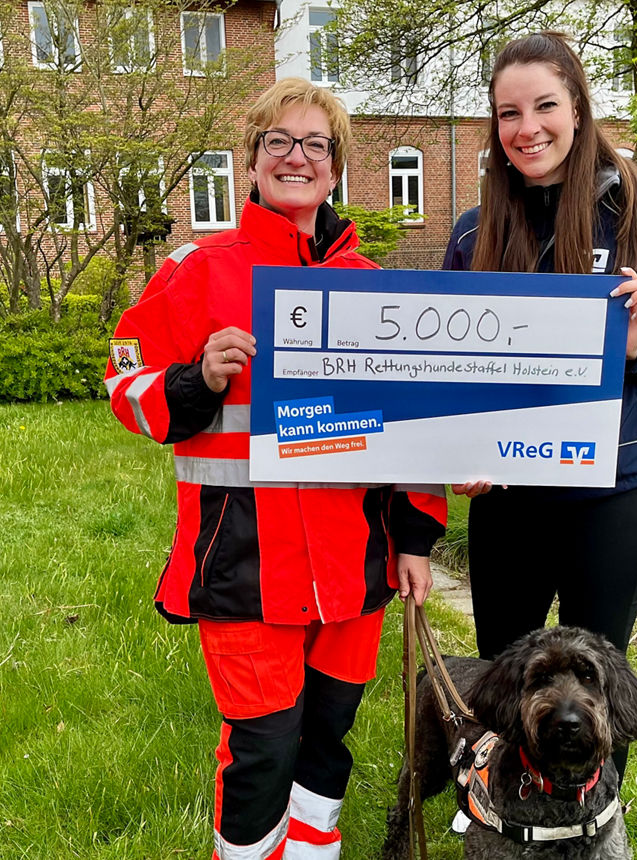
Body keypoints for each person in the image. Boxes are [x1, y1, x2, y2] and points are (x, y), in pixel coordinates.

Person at [105, 78, 447, 860]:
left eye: (314, 145)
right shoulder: (195, 272)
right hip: (243, 560)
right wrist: (195, 379)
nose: (296, 157)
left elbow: (415, 429)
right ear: (253, 160)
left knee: (328, 735)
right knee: (263, 745)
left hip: (352, 566)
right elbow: (123, 381)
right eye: (278, 143)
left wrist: (417, 536)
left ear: (335, 170)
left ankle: (313, 850)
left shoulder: (374, 289)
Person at [446, 32, 637, 773]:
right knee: (503, 680)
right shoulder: (473, 232)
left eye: (544, 106)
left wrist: (636, 349)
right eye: (507, 113)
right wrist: (458, 448)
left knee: (598, 686)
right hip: (511, 496)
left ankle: (594, 829)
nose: (526, 127)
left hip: (613, 492)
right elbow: (450, 372)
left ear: (579, 108)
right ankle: (492, 816)